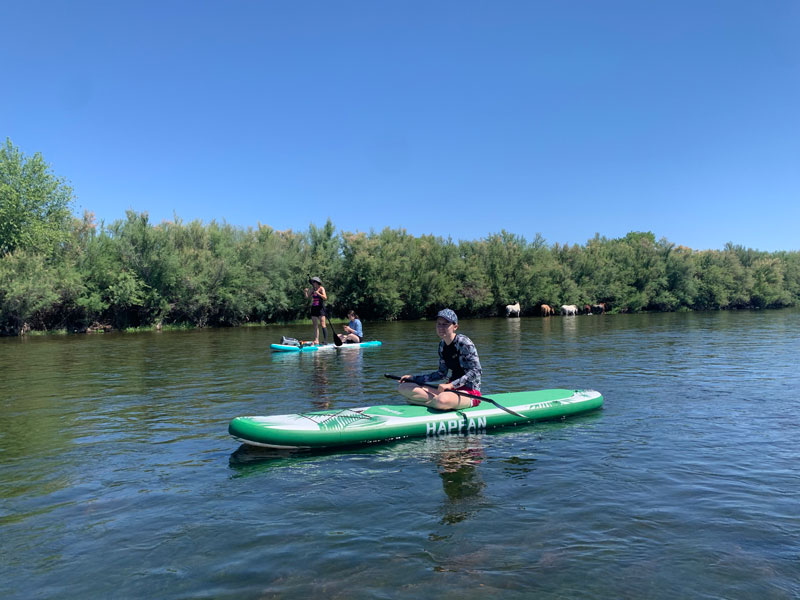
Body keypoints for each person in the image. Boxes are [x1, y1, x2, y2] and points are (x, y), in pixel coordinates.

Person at [397, 308, 482, 410]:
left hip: (470, 391)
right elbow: (441, 373)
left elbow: (476, 371)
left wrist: (451, 385)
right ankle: (435, 401)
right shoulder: (442, 345)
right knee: (404, 387)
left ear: (455, 326)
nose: (441, 327)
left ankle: (428, 402)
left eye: (445, 324)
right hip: (449, 390)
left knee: (442, 400)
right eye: (439, 324)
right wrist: (414, 378)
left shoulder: (464, 343)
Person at [303, 276, 327, 345]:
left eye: (314, 282)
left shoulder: (321, 288)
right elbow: (307, 297)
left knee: (323, 324)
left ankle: (325, 341)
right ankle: (316, 340)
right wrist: (305, 292)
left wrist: (318, 293)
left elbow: (325, 297)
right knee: (315, 325)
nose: (313, 283)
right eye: (312, 282)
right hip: (314, 308)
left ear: (317, 282)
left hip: (320, 308)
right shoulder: (313, 289)